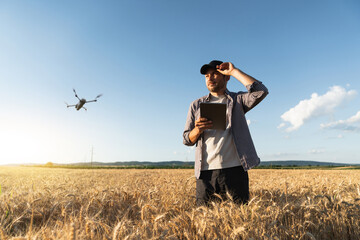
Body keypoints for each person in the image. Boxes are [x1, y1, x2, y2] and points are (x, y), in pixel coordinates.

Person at [183, 60, 268, 206]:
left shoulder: (238, 100)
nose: (210, 78)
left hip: (235, 170)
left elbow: (261, 91)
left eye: (215, 74)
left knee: (239, 218)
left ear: (225, 77)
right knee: (206, 222)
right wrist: (198, 129)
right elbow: (186, 139)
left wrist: (234, 71)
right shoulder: (196, 105)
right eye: (207, 76)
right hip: (205, 173)